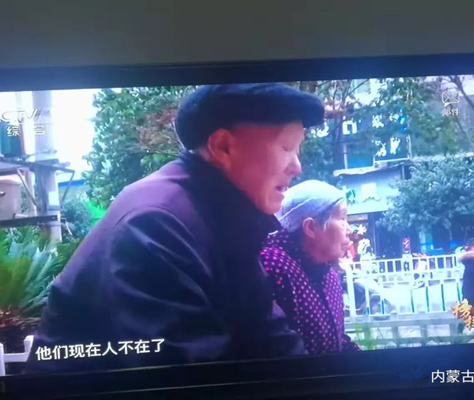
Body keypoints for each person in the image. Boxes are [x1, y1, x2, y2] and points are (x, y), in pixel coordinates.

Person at [25, 83, 325, 374]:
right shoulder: (157, 224)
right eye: (287, 147)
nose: (297, 166)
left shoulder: (223, 217)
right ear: (223, 146)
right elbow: (181, 375)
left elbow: (269, 335)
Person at [260, 180, 360, 354]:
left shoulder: (329, 274)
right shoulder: (273, 265)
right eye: (342, 218)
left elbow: (338, 340)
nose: (349, 229)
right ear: (311, 227)